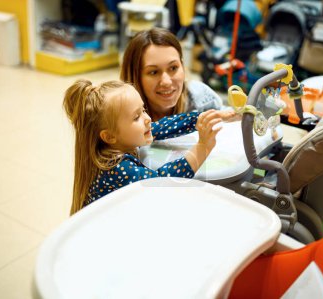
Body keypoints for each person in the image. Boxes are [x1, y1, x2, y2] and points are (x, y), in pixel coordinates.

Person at [64, 79, 226, 214]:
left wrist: (203, 118)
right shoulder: (115, 167)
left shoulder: (121, 140)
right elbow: (161, 183)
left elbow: (163, 126)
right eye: (136, 117)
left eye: (143, 110)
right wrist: (202, 147)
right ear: (109, 136)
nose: (147, 118)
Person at [120, 27, 228, 121]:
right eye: (153, 72)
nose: (166, 82)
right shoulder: (118, 112)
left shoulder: (202, 99)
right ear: (134, 76)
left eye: (173, 68)